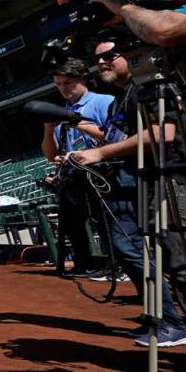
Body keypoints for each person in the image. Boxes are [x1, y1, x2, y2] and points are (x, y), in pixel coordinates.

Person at [68, 41, 186, 372]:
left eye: (110, 55)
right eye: (96, 57)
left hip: (181, 177)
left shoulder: (146, 87)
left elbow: (164, 133)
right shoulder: (126, 96)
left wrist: (102, 154)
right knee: (179, 268)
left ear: (136, 55)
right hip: (157, 183)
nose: (101, 62)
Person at [40, 59, 113, 276]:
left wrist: (77, 122)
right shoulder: (61, 111)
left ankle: (116, 265)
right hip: (74, 177)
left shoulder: (103, 101)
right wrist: (48, 129)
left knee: (105, 222)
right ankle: (85, 263)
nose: (63, 89)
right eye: (59, 84)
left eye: (68, 83)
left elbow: (115, 136)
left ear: (83, 79)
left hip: (104, 173)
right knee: (73, 225)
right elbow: (51, 154)